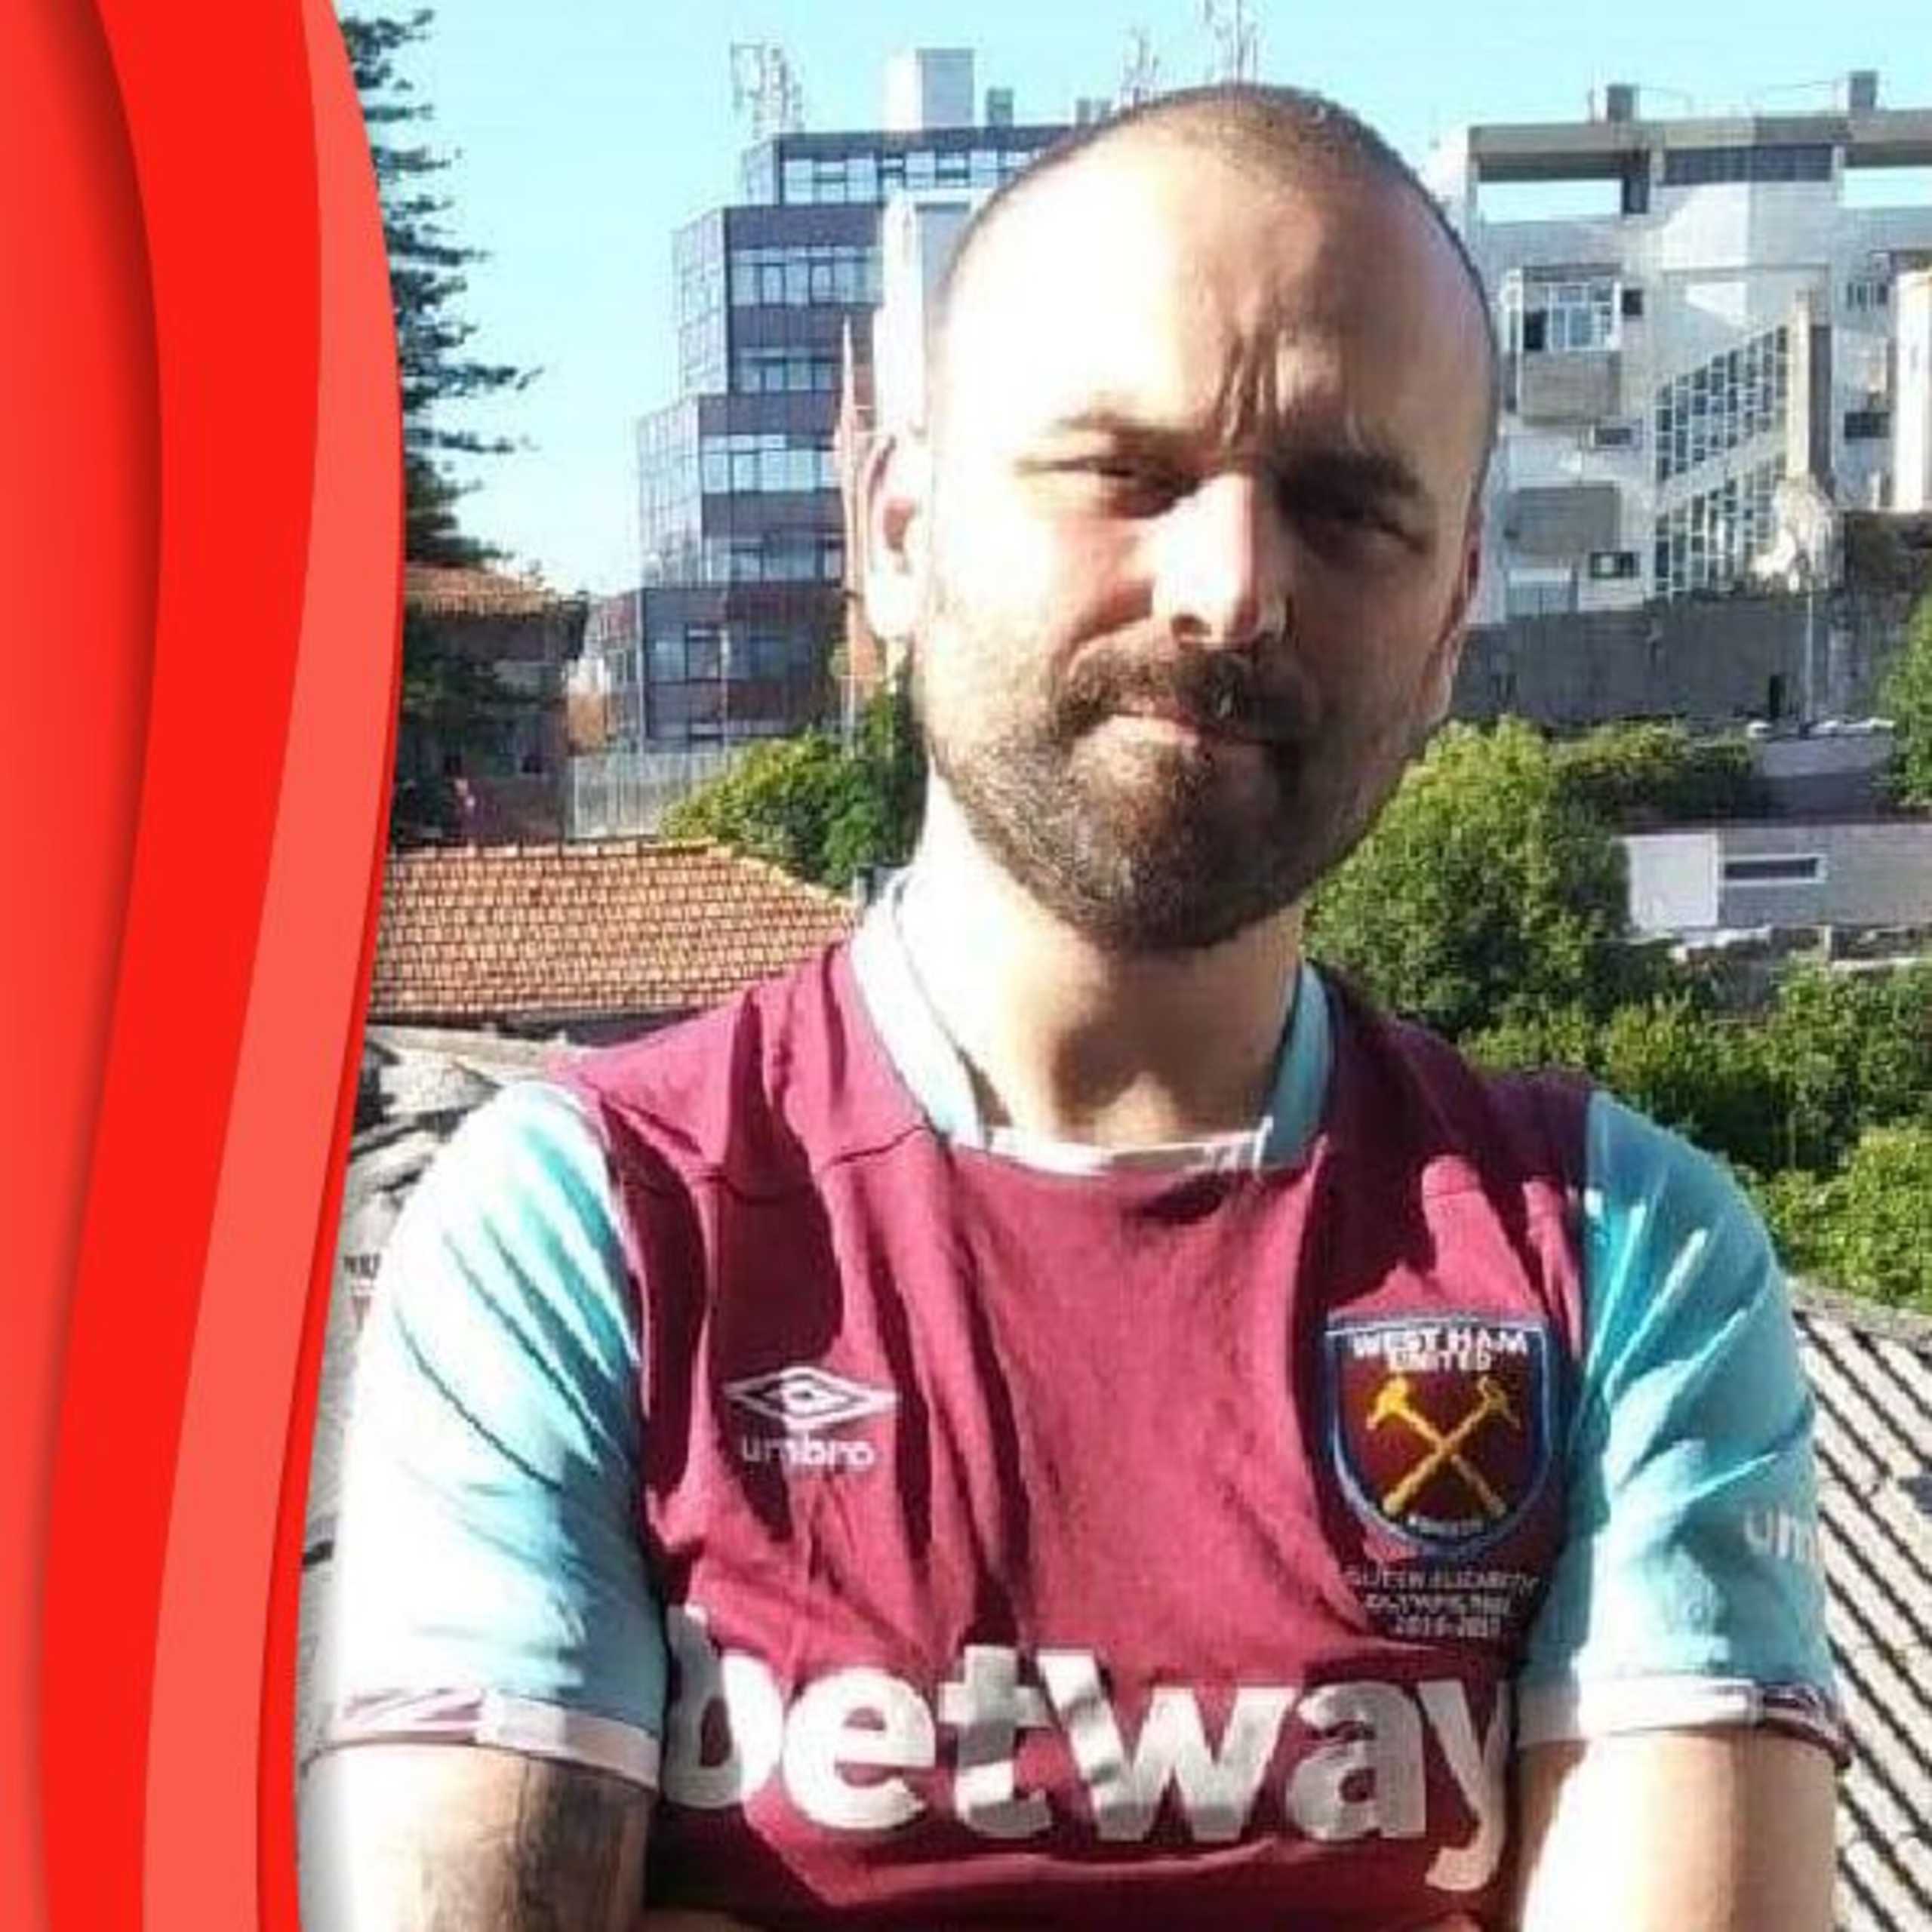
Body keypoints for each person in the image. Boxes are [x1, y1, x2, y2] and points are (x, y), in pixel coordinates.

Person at [303, 85, 1842, 1930]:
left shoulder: (1617, 1259)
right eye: (1125, 471)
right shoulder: (595, 1231)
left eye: (1346, 507)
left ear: (1449, 621)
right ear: (896, 527)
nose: (1230, 588)